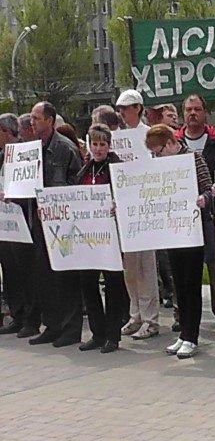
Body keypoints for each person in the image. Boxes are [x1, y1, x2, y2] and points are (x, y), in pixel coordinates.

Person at [145, 125, 214, 359]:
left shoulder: (193, 159)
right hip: (172, 232)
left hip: (192, 231)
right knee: (179, 285)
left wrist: (203, 199)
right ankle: (184, 333)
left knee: (191, 284)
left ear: (170, 143)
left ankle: (192, 336)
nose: (157, 156)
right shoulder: (161, 165)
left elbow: (209, 189)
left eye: (158, 151)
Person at [175, 94, 215, 330]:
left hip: (212, 211)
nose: (192, 113)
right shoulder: (175, 144)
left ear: (204, 112)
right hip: (182, 215)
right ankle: (182, 313)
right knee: (184, 266)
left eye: (197, 109)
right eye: (188, 109)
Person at [27, 102, 84, 347]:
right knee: (45, 275)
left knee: (65, 276)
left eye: (36, 118)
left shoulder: (65, 148)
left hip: (62, 222)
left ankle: (71, 328)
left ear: (50, 121)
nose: (32, 122)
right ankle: (52, 325)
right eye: (31, 118)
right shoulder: (32, 149)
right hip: (39, 221)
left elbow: (77, 183)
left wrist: (55, 202)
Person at [76, 124, 129, 353]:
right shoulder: (85, 169)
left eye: (102, 144)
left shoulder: (117, 168)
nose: (98, 149)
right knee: (87, 283)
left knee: (113, 284)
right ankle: (97, 333)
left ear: (109, 145)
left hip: (111, 236)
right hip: (88, 237)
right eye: (95, 144)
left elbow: (127, 196)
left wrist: (118, 205)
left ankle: (112, 335)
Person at [114, 89, 160, 340]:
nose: (122, 113)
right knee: (130, 268)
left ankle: (150, 319)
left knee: (146, 267)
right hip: (125, 209)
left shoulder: (148, 135)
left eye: (126, 108)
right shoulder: (118, 139)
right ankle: (136, 315)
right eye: (120, 109)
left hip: (145, 208)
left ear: (138, 108)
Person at [0, 113, 39, 338]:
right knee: (10, 271)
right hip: (5, 223)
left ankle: (31, 319)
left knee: (26, 272)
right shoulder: (2, 156)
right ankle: (17, 314)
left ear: (6, 132)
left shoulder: (25, 152)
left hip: (23, 220)